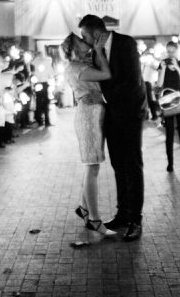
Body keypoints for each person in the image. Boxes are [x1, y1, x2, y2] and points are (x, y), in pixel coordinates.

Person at [79, 14, 147, 242]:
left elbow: (133, 80)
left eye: (85, 36)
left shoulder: (126, 43)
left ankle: (135, 219)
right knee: (118, 165)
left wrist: (103, 96)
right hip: (110, 116)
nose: (84, 40)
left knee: (132, 164)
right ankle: (122, 214)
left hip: (129, 113)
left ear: (96, 33)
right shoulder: (94, 53)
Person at [61, 33, 116, 237]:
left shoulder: (79, 65)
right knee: (91, 167)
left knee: (93, 166)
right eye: (83, 44)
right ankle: (94, 219)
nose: (88, 46)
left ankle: (84, 209)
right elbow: (106, 75)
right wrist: (100, 51)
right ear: (74, 48)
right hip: (88, 115)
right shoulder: (77, 68)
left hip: (93, 112)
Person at [157, 41, 180, 173]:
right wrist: (164, 68)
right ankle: (170, 163)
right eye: (169, 51)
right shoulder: (162, 64)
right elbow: (160, 83)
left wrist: (177, 67)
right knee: (169, 133)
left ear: (177, 51)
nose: (170, 53)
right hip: (167, 101)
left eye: (173, 51)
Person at [32, 51, 55, 126]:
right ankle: (47, 121)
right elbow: (52, 73)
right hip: (44, 84)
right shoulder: (46, 62)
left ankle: (39, 120)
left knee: (38, 102)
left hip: (37, 84)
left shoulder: (34, 62)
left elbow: (32, 73)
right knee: (45, 103)